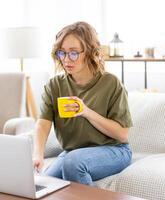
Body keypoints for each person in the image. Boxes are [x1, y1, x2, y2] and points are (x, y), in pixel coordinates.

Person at [33, 21, 133, 186]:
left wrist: (86, 112)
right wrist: (37, 154)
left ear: (89, 52)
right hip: (73, 152)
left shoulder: (110, 83)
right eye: (61, 53)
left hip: (115, 150)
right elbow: (42, 125)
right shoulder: (54, 85)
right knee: (43, 185)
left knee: (72, 163)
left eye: (73, 53)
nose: (66, 60)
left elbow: (122, 134)